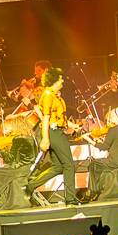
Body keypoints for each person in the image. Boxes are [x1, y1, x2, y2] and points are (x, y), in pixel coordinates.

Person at [25, 69, 82, 205]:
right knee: (68, 165)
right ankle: (70, 198)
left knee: (58, 166)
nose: (63, 81)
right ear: (54, 80)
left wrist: (73, 126)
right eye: (60, 78)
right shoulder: (48, 95)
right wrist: (46, 138)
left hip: (56, 130)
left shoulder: (54, 95)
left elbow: (58, 118)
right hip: (53, 132)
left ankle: (31, 186)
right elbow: (46, 118)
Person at [85, 107, 118, 201]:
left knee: (93, 164)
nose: (109, 119)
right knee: (98, 166)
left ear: (115, 117)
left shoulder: (113, 130)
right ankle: (98, 190)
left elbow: (104, 147)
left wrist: (90, 140)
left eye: (110, 117)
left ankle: (92, 191)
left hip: (114, 162)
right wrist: (101, 142)